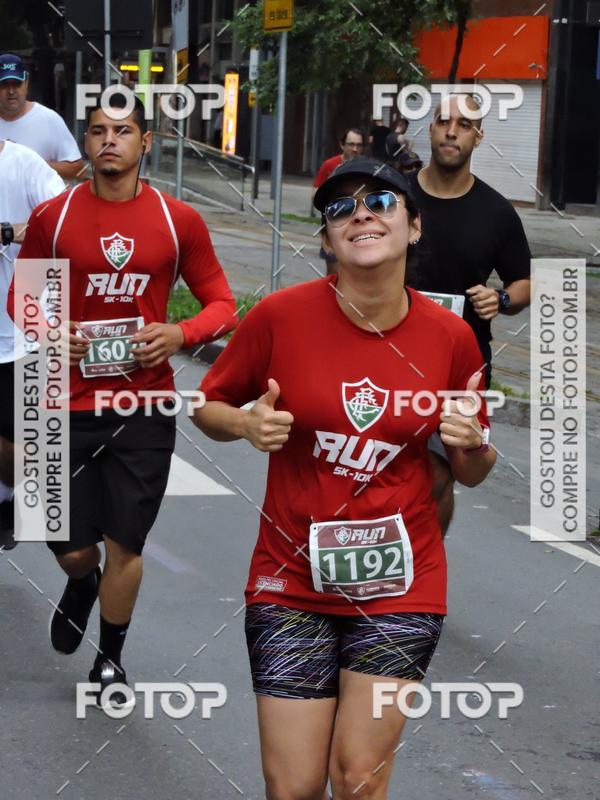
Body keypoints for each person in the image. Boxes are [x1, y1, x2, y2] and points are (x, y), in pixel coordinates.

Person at [193, 158, 495, 800]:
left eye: (381, 201)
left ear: (413, 227)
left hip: (401, 585)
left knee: (358, 775)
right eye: (339, 208)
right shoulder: (278, 317)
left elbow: (471, 469)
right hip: (290, 582)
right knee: (294, 787)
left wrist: (471, 444)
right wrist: (245, 426)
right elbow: (207, 405)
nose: (360, 213)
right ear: (328, 238)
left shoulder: (452, 338)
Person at [10, 94, 236, 706]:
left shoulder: (176, 219)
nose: (109, 140)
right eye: (97, 131)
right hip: (64, 400)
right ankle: (80, 584)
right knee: (72, 546)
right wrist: (52, 331)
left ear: (146, 143)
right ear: (85, 143)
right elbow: (23, 299)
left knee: (125, 545)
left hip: (143, 407)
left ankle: (111, 657)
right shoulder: (55, 216)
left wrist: (179, 333)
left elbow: (221, 302)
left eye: (123, 131)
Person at [406, 93, 531, 535]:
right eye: (443, 121)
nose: (451, 130)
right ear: (431, 129)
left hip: (461, 365)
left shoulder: (497, 212)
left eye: (463, 124)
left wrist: (500, 301)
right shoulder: (398, 196)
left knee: (443, 474)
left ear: (479, 137)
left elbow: (524, 282)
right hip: (390, 352)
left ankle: (424, 571)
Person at [0, 139, 65, 550]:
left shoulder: (23, 164)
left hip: (15, 333)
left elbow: (64, 223)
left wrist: (14, 231)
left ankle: (12, 499)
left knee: (15, 445)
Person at [0, 53, 84, 180]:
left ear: (26, 83)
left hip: (40, 200)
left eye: (16, 83)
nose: (11, 91)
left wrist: (33, 164)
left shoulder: (48, 119)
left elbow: (79, 170)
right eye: (4, 84)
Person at [312, 128, 364, 272]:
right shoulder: (330, 165)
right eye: (351, 144)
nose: (355, 149)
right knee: (334, 274)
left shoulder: (366, 167)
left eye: (359, 145)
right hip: (335, 226)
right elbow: (315, 194)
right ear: (342, 145)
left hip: (359, 228)